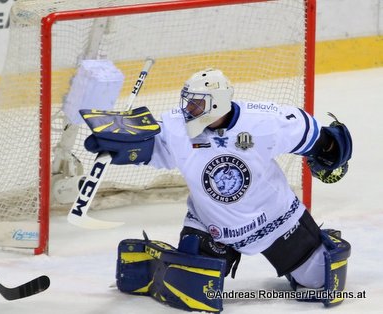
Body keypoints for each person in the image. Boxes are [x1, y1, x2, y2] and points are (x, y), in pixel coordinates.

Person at [81, 68, 352, 312]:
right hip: (212, 225)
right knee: (193, 292)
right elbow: (153, 147)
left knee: (321, 282)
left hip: (275, 220)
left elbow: (317, 136)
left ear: (217, 103)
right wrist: (125, 146)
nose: (189, 109)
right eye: (188, 102)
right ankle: (159, 261)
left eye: (197, 104)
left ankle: (315, 245)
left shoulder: (264, 121)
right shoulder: (177, 127)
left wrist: (330, 149)